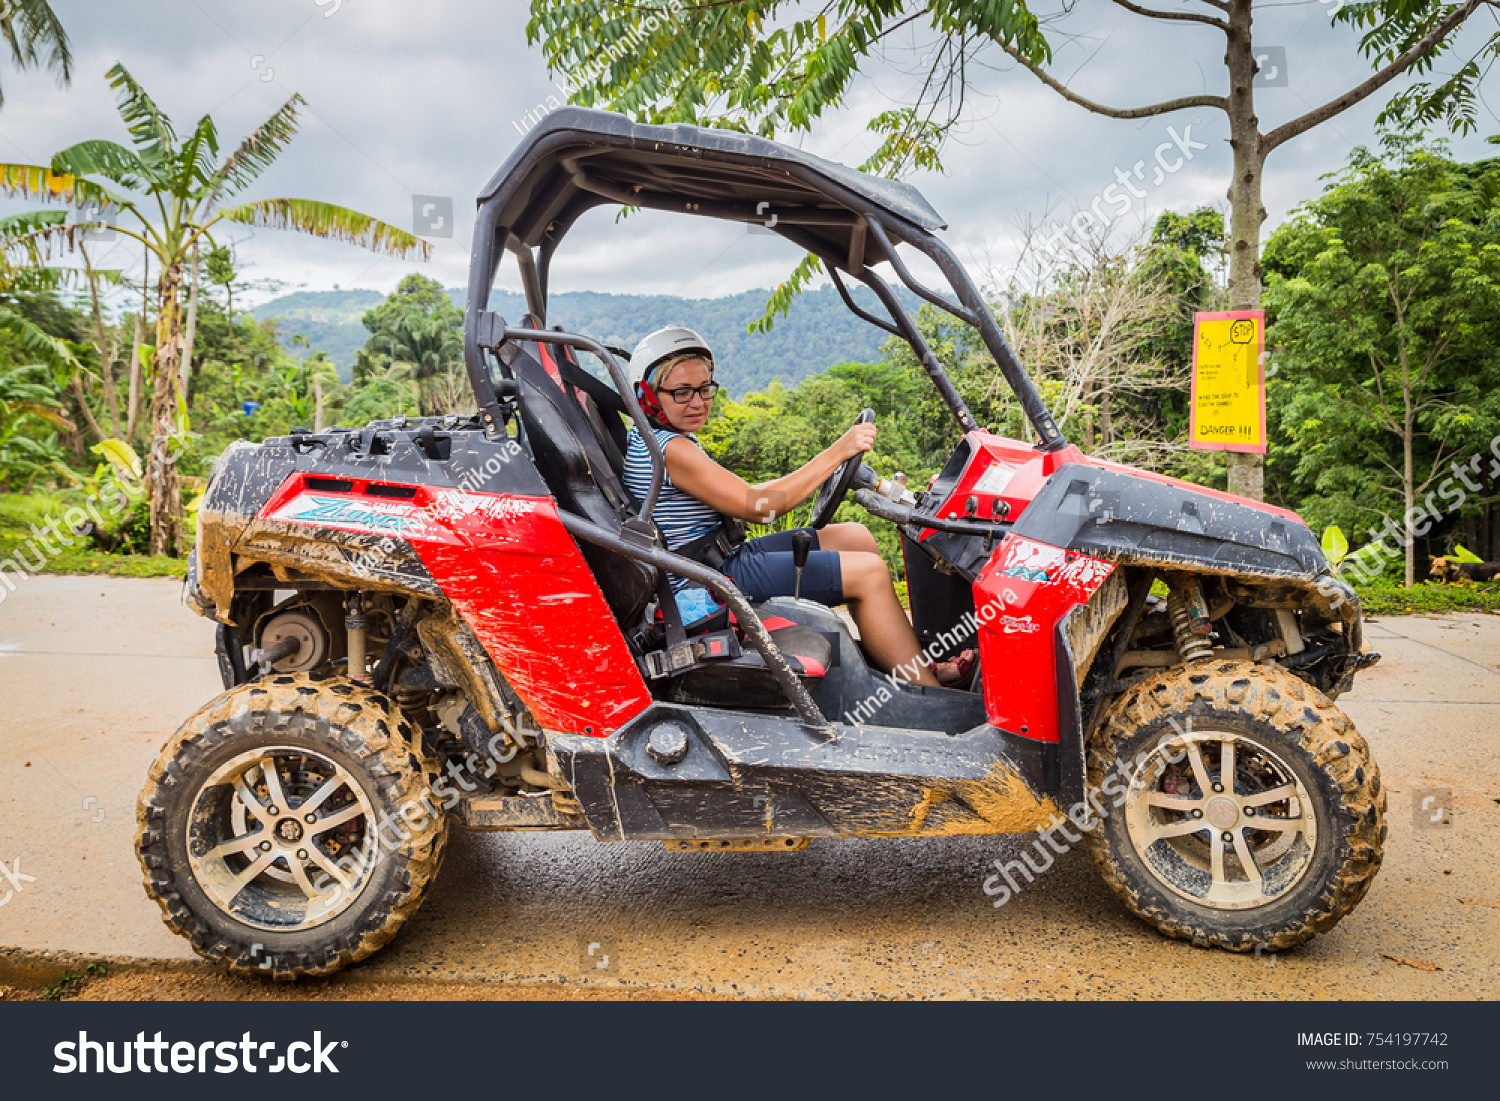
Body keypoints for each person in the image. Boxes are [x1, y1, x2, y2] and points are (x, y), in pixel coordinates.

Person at [620, 326, 971, 688]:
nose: (698, 402)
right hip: (706, 580)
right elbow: (761, 508)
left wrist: (830, 465)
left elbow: (748, 493)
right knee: (870, 574)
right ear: (647, 395)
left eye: (705, 388)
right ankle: (927, 694)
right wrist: (838, 452)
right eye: (681, 393)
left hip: (717, 556)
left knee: (855, 537)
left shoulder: (662, 438)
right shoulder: (670, 451)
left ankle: (909, 665)